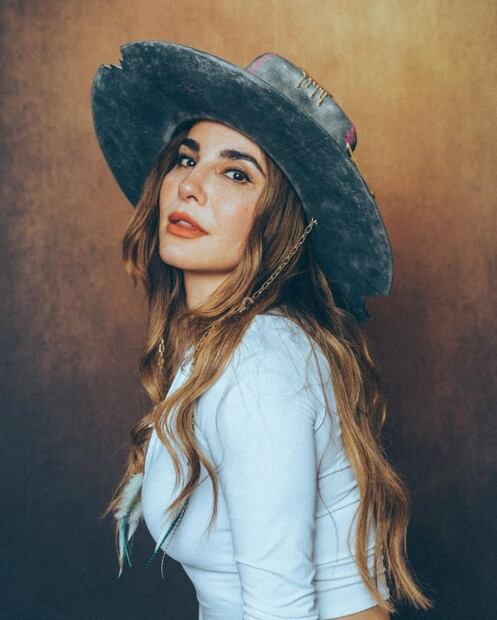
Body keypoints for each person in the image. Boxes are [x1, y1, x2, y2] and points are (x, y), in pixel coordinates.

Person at [91, 42, 433, 619]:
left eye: (235, 173)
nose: (191, 185)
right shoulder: (225, 343)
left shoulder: (259, 362)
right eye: (186, 159)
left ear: (282, 224)